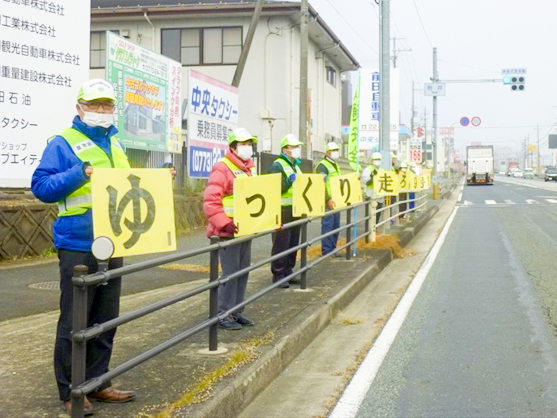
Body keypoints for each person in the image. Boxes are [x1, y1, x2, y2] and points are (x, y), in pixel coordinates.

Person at [32, 79, 154, 415]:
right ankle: (72, 392)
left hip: (113, 240)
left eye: (107, 105)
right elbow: (41, 187)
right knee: (75, 320)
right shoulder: (63, 142)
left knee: (105, 317)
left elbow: (129, 187)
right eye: (95, 104)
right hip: (78, 242)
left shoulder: (116, 144)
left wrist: (158, 176)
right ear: (80, 107)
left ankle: (99, 382)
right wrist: (78, 174)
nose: (101, 111)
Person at [203, 128, 257, 330]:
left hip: (245, 229)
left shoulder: (248, 169)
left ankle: (236, 311)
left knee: (242, 272)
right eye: (243, 144)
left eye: (249, 144)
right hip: (227, 231)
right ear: (233, 147)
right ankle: (223, 314)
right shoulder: (222, 167)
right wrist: (224, 222)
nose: (247, 147)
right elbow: (211, 200)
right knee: (230, 273)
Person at [269, 134, 304, 288]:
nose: (297, 150)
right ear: (285, 149)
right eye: (293, 147)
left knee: (293, 242)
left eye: (297, 147)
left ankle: (288, 272)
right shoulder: (278, 165)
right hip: (282, 210)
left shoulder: (295, 165)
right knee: (281, 243)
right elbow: (274, 188)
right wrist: (289, 182)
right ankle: (278, 275)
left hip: (296, 209)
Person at [316, 142, 342, 256]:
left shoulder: (335, 165)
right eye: (333, 150)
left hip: (337, 200)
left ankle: (333, 248)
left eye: (337, 149)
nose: (336, 152)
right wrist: (327, 199)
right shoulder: (322, 165)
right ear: (327, 152)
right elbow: (320, 184)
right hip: (328, 201)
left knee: (335, 226)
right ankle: (327, 251)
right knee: (328, 225)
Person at [361, 152, 384, 225]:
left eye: (378, 159)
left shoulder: (381, 170)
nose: (377, 161)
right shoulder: (368, 169)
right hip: (370, 195)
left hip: (379, 195)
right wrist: (371, 177)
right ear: (371, 160)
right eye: (375, 159)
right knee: (370, 214)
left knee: (378, 213)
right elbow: (365, 181)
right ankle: (369, 230)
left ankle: (375, 228)